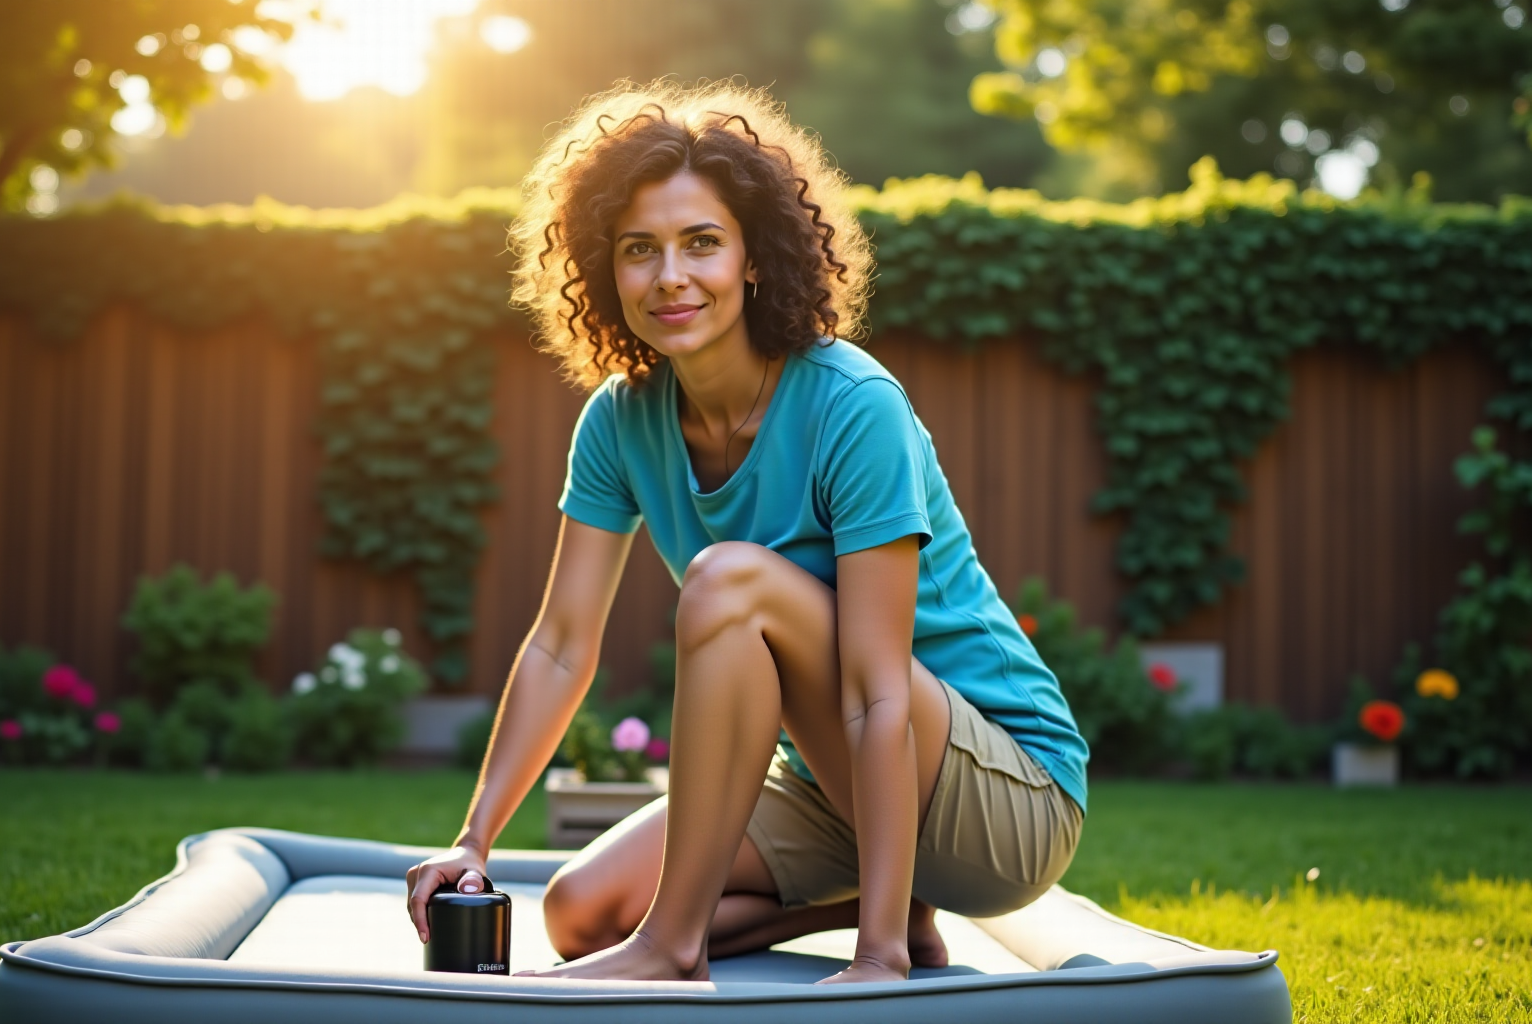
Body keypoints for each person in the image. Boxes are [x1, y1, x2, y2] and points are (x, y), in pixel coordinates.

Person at [405, 80, 1088, 985]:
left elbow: (880, 689)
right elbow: (562, 645)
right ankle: (865, 910)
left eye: (702, 243)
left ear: (754, 258)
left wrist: (875, 957)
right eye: (638, 250)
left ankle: (680, 948)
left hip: (1002, 795)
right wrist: (474, 839)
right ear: (606, 271)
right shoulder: (621, 420)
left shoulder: (854, 405)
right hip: (835, 784)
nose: (670, 276)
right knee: (580, 914)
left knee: (731, 579)